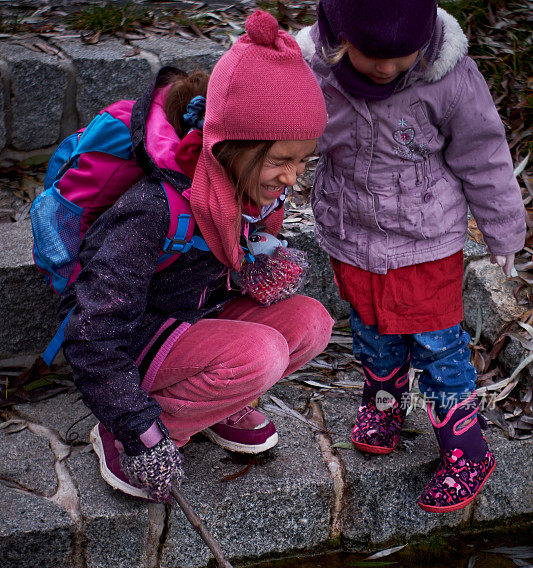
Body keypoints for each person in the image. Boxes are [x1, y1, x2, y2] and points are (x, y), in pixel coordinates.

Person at [59, 10, 332, 502]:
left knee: (312, 321)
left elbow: (226, 264)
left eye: (303, 161)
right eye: (280, 161)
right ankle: (142, 432)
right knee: (261, 354)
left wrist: (255, 265)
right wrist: (134, 424)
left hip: (197, 320)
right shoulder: (154, 210)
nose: (293, 178)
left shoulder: (255, 195)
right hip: (137, 337)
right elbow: (92, 329)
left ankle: (215, 403)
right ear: (231, 146)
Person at [296, 0, 526, 512]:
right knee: (372, 331)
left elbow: (485, 155)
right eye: (371, 54)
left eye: (402, 56)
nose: (386, 67)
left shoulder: (450, 79)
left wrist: (504, 232)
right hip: (352, 234)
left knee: (436, 343)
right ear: (337, 36)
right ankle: (384, 403)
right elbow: (283, 133)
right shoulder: (315, 74)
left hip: (426, 241)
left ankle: (467, 448)